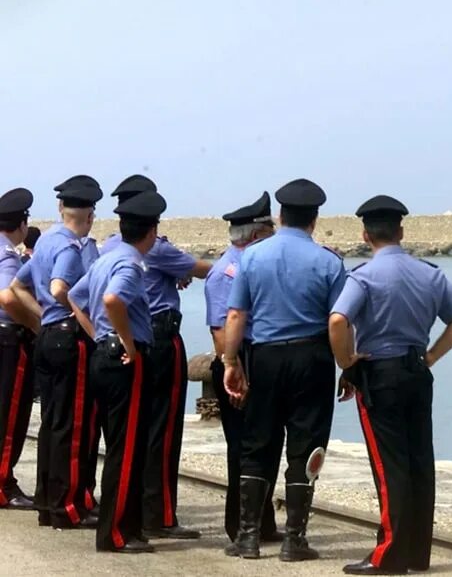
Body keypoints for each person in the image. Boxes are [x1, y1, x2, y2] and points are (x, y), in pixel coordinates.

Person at [329, 195, 452, 575]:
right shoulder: (429, 273)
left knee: (388, 463)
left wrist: (346, 362)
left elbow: (337, 321)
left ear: (366, 234)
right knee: (418, 462)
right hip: (416, 369)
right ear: (401, 232)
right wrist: (431, 355)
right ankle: (415, 553)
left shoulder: (363, 276)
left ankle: (389, 555)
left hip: (380, 374)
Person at [222, 178, 345, 561]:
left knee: (258, 441)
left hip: (265, 357)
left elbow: (237, 313)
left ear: (280, 214)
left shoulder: (253, 257)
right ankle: (294, 538)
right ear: (314, 219)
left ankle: (247, 536)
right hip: (312, 358)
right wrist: (348, 365)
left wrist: (230, 361)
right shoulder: (329, 261)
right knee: (306, 445)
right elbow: (339, 320)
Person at [102, 174, 211, 539]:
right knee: (163, 432)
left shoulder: (109, 248)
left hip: (131, 340)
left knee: (139, 429)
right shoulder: (155, 249)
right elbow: (201, 269)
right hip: (161, 339)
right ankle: (160, 513)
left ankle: (139, 510)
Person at [69, 190, 167, 554]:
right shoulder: (129, 265)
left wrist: (99, 337)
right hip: (125, 361)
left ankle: (129, 526)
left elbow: (75, 299)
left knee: (124, 447)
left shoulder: (105, 258)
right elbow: (112, 300)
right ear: (151, 232)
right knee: (125, 451)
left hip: (103, 358)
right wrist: (125, 342)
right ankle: (115, 533)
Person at [8, 182, 102, 529]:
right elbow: (60, 288)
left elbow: (18, 287)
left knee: (52, 422)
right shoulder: (70, 248)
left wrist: (41, 317)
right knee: (74, 425)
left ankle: (49, 501)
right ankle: (69, 505)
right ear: (90, 215)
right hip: (69, 338)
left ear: (62, 208)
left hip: (48, 336)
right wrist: (74, 313)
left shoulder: (45, 240)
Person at [204, 191, 282, 554]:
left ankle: (263, 522)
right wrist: (234, 371)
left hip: (257, 358)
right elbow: (221, 331)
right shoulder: (226, 272)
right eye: (268, 230)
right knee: (243, 448)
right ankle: (240, 524)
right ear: (254, 234)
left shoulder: (253, 266)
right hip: (238, 363)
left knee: (266, 445)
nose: (273, 236)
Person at [0, 188, 36, 509]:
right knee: (10, 416)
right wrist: (36, 323)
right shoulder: (7, 254)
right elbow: (8, 297)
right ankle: (3, 485)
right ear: (21, 224)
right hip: (8, 340)